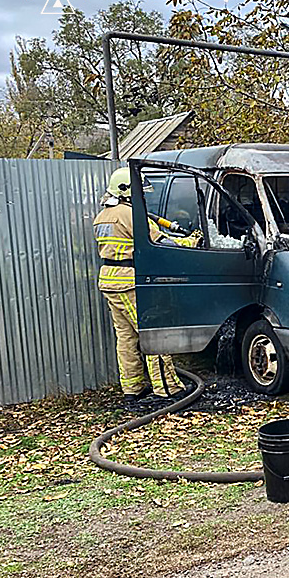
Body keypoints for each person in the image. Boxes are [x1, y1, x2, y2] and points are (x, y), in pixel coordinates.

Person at [93, 167, 197, 408]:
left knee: (126, 338)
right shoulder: (131, 215)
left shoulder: (102, 216)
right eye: (140, 192)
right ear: (127, 190)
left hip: (109, 280)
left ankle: (133, 388)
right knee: (154, 334)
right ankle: (167, 388)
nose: (143, 197)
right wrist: (191, 241)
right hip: (131, 281)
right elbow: (162, 242)